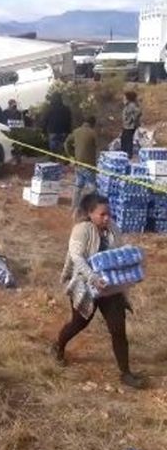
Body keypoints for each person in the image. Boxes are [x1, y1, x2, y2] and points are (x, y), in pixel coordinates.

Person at [52, 193, 146, 389]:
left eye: (109, 213)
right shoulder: (81, 230)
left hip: (110, 288)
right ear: (90, 213)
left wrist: (131, 273)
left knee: (118, 329)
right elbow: (77, 258)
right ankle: (58, 346)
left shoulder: (113, 229)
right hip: (86, 285)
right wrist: (93, 278)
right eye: (102, 214)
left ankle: (126, 373)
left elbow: (120, 256)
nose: (107, 218)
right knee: (79, 323)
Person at [65, 116, 99, 213]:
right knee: (93, 188)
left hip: (78, 164)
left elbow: (66, 143)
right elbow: (98, 148)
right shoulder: (93, 133)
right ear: (93, 124)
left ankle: (73, 207)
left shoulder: (76, 131)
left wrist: (71, 156)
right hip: (88, 165)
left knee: (78, 186)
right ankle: (84, 207)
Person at [120, 91, 142, 159]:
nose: (123, 99)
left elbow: (138, 112)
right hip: (127, 126)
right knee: (124, 139)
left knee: (127, 141)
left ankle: (128, 155)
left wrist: (131, 119)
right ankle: (124, 154)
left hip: (130, 127)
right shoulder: (127, 105)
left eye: (124, 98)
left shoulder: (132, 105)